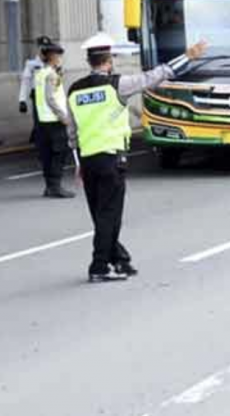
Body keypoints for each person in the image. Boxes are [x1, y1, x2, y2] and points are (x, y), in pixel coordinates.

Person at [67, 32, 207, 282]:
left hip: (88, 161)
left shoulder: (74, 91)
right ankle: (99, 267)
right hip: (110, 159)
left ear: (90, 62)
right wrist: (187, 57)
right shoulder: (116, 84)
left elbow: (72, 131)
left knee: (101, 215)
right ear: (108, 61)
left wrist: (77, 163)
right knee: (109, 216)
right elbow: (153, 77)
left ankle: (120, 260)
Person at [34, 40, 76, 198]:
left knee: (47, 155)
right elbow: (51, 98)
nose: (60, 58)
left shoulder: (40, 73)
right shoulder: (51, 75)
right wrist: (63, 116)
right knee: (59, 154)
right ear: (52, 57)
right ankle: (56, 186)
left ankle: (49, 186)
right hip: (54, 121)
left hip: (42, 121)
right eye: (58, 55)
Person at [18, 36, 54, 143]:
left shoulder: (53, 63)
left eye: (46, 46)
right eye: (42, 47)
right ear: (38, 48)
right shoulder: (31, 64)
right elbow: (26, 82)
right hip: (37, 95)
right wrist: (22, 100)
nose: (44, 49)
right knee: (39, 121)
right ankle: (40, 142)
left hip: (50, 95)